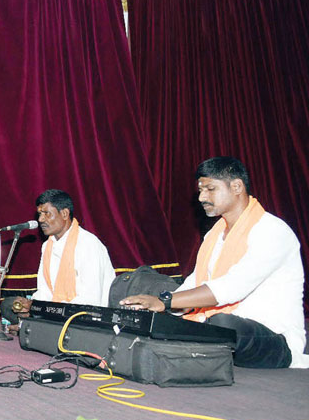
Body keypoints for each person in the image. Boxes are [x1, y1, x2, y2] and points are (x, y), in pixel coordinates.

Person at [121, 157, 307, 369]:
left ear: (237, 186)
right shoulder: (215, 234)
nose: (202, 197)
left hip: (273, 338)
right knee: (171, 315)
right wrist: (164, 306)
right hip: (219, 323)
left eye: (210, 189)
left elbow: (232, 287)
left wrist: (166, 301)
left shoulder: (272, 231)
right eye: (200, 190)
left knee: (222, 324)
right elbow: (195, 282)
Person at [3, 189, 115, 333]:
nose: (41, 220)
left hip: (87, 318)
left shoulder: (88, 244)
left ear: (64, 214)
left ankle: (32, 328)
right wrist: (32, 306)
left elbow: (90, 301)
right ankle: (33, 327)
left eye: (47, 213)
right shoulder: (47, 246)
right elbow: (45, 291)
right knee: (8, 305)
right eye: (39, 214)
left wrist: (46, 312)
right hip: (55, 313)